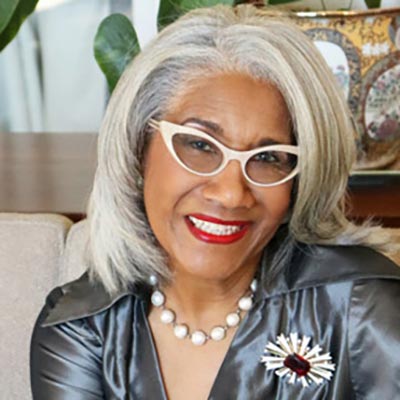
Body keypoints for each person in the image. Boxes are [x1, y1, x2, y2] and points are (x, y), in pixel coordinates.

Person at [30, 4, 400, 400]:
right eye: (200, 145)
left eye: (268, 157)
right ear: (138, 150)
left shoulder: (361, 305)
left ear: (298, 182)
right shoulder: (82, 328)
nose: (230, 193)